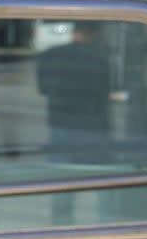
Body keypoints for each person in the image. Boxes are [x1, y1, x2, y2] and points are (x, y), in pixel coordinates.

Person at [36, 21, 112, 225]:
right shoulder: (100, 58)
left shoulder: (50, 55)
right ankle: (106, 231)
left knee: (61, 181)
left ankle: (61, 228)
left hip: (59, 124)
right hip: (93, 127)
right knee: (103, 181)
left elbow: (43, 88)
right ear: (93, 34)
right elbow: (106, 90)